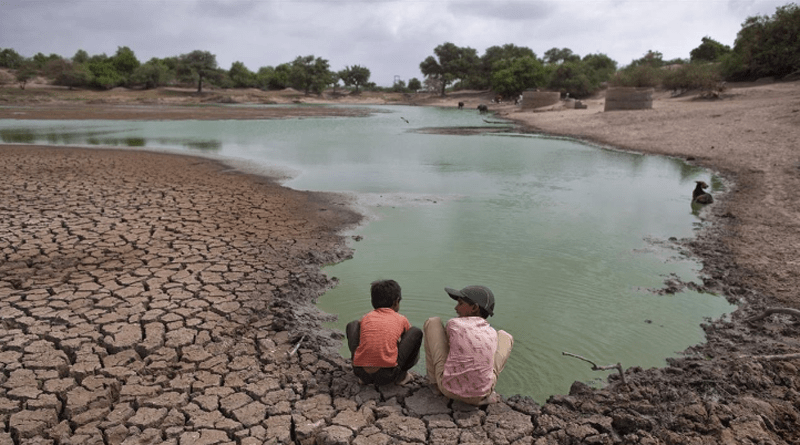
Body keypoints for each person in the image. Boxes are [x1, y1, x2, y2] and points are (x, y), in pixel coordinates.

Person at [423, 285, 514, 405]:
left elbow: (448, 349)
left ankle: (435, 384)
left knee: (432, 322)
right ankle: (485, 393)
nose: (456, 308)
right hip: (482, 394)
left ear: (474, 308)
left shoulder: (454, 324)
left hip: (448, 390)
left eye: (460, 303)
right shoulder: (491, 333)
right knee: (506, 337)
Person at [346, 279, 423, 386]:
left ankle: (362, 370)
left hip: (360, 372)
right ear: (396, 302)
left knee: (352, 325)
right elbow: (408, 342)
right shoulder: (401, 319)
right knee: (415, 332)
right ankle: (402, 377)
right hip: (387, 376)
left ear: (373, 302)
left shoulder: (366, 317)